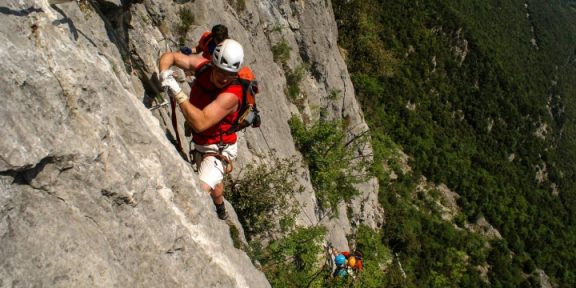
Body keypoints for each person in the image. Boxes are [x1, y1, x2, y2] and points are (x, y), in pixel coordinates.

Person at [159, 39, 245, 220]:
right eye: (221, 72)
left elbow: (199, 123)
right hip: (202, 143)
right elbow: (171, 56)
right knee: (216, 183)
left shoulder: (232, 95)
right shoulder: (202, 66)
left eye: (229, 74)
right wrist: (164, 73)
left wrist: (176, 90)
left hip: (218, 149)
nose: (224, 78)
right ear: (213, 65)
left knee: (197, 193)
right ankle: (220, 206)